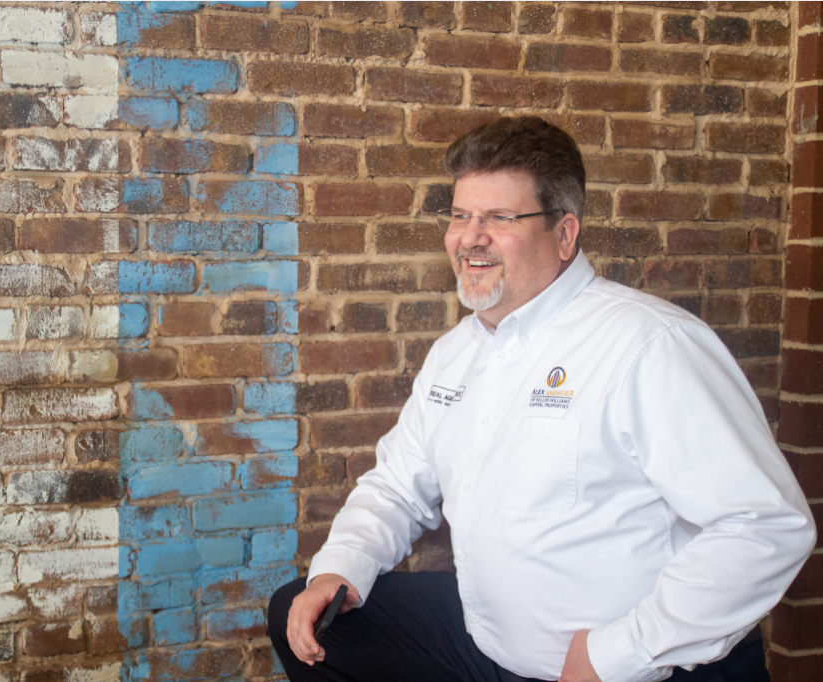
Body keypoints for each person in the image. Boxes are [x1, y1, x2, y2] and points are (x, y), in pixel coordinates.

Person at [268, 117, 816, 682]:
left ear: (564, 234)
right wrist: (341, 567)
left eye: (500, 218)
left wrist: (617, 654)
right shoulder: (456, 352)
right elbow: (398, 487)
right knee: (308, 616)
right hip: (494, 646)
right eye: (460, 215)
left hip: (635, 667)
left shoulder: (650, 345)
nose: (470, 237)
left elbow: (764, 525)